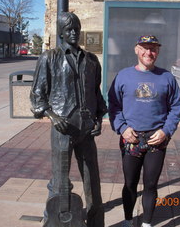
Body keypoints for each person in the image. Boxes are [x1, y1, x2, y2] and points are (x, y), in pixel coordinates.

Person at [30, 12, 107, 227]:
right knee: (60, 183)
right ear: (61, 32)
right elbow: (37, 95)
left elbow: (96, 94)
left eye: (76, 28)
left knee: (93, 182)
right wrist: (52, 116)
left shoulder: (92, 60)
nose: (73, 32)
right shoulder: (49, 57)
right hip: (63, 128)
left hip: (86, 129)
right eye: (69, 29)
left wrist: (99, 118)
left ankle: (95, 223)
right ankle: (56, 221)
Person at [108, 35, 180, 227]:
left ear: (157, 52)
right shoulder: (123, 76)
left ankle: (147, 223)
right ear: (136, 50)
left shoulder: (166, 77)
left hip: (156, 140)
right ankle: (127, 220)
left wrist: (166, 131)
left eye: (153, 49)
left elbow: (176, 107)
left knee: (150, 184)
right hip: (130, 139)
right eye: (145, 48)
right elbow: (114, 106)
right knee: (130, 183)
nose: (149, 52)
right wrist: (122, 128)